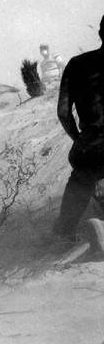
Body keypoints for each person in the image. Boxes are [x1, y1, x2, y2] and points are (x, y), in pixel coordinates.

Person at [49, 15, 104, 257]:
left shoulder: (77, 64)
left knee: (81, 181)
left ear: (101, 34)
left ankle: (65, 232)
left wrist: (79, 138)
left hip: (89, 148)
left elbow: (63, 112)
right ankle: (99, 228)